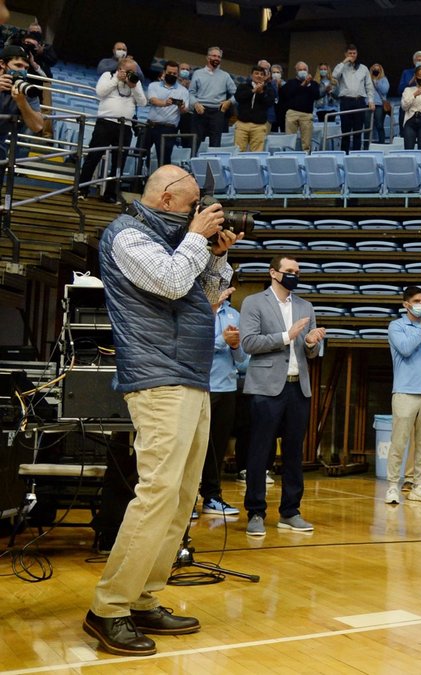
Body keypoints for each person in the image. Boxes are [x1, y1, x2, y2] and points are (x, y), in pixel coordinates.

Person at [84, 164, 236, 657]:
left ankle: (143, 597)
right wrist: (194, 239)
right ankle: (108, 607)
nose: (199, 212)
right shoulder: (125, 234)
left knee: (181, 497)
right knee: (156, 493)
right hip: (157, 378)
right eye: (192, 204)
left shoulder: (179, 240)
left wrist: (215, 258)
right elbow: (170, 283)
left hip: (192, 377)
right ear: (169, 198)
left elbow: (203, 302)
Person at [239, 255, 325, 536]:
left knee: (293, 453)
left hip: (298, 387)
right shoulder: (254, 302)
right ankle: (255, 512)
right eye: (289, 271)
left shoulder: (305, 305)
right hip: (265, 387)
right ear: (273, 273)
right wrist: (287, 336)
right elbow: (249, 343)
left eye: (297, 271)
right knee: (259, 452)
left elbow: (309, 352)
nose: (294, 275)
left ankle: (290, 511)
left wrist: (311, 343)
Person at [386, 287, 421, 504]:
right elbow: (405, 349)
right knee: (399, 442)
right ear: (406, 303)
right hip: (405, 391)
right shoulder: (397, 326)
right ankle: (392, 486)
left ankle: (418, 485)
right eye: (417, 300)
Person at [200, 286, 245, 518]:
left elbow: (243, 362)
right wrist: (222, 340)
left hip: (227, 388)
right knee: (194, 447)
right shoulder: (196, 311)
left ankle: (212, 497)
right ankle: (184, 503)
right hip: (200, 387)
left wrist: (236, 346)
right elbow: (194, 350)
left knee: (218, 447)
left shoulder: (234, 315)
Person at [80, 57, 146, 203]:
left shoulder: (136, 82)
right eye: (129, 72)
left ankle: (111, 194)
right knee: (93, 157)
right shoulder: (108, 76)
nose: (131, 74)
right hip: (105, 123)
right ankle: (82, 189)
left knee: (119, 163)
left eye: (133, 72)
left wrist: (133, 86)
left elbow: (143, 102)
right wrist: (117, 79)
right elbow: (100, 92)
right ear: (120, 68)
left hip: (125, 127)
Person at [0, 44, 46, 155]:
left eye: (26, 68)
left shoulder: (26, 90)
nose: (22, 71)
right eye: (18, 65)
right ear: (2, 64)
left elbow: (37, 126)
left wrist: (22, 102)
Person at [142, 61, 189, 166]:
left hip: (168, 129)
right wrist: (165, 103)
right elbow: (153, 100)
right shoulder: (154, 85)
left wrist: (181, 107)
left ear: (178, 74)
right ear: (164, 72)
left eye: (174, 74)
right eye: (169, 72)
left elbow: (184, 110)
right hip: (150, 126)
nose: (171, 75)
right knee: (140, 155)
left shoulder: (183, 91)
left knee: (164, 160)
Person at [188, 47, 236, 150]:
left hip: (217, 112)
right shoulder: (198, 73)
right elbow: (191, 93)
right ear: (207, 57)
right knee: (195, 142)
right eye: (214, 56)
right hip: (200, 110)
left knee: (215, 143)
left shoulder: (225, 76)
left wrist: (229, 102)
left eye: (219, 57)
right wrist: (196, 104)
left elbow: (236, 93)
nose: (217, 58)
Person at [332, 44, 372, 152]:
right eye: (350, 53)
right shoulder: (341, 67)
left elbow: (369, 85)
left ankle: (356, 155)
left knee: (358, 131)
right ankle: (344, 155)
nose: (352, 55)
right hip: (346, 101)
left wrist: (371, 101)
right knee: (345, 131)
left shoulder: (363, 68)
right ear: (346, 54)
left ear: (357, 54)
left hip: (359, 101)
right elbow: (334, 75)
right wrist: (344, 62)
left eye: (354, 53)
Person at [279, 62, 321, 152]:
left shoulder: (313, 84)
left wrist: (308, 84)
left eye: (304, 70)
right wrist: (303, 84)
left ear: (308, 71)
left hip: (306, 114)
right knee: (289, 139)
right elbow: (287, 95)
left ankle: (305, 158)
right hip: (292, 113)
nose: (302, 71)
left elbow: (317, 95)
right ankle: (289, 157)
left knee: (306, 142)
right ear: (296, 71)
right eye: (300, 70)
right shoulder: (290, 83)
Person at [233, 66, 271, 152]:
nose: (259, 76)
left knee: (257, 153)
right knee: (238, 151)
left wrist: (261, 92)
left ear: (264, 77)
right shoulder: (243, 86)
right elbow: (238, 98)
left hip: (259, 126)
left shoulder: (268, 90)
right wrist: (253, 91)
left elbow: (269, 103)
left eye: (262, 74)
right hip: (242, 124)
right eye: (256, 73)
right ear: (251, 75)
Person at [369, 63, 390, 144]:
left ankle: (382, 142)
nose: (376, 71)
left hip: (380, 105)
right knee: (368, 126)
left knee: (379, 125)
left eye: (378, 69)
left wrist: (377, 82)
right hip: (368, 104)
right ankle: (367, 144)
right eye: (374, 69)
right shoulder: (367, 79)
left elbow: (385, 91)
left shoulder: (384, 79)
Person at [267, 64, 284, 133]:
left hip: (281, 113)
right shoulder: (268, 85)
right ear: (270, 74)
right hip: (271, 113)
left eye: (278, 72)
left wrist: (280, 87)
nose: (276, 74)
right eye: (274, 72)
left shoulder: (285, 85)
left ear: (281, 74)